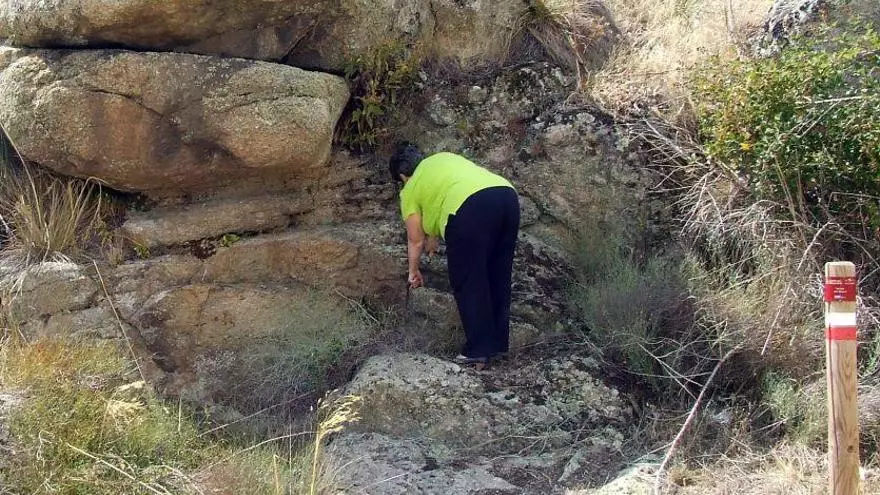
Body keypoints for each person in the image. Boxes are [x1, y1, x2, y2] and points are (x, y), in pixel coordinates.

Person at [389, 143, 520, 368]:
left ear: (402, 176)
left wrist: (413, 270)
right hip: (506, 196)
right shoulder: (443, 158)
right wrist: (434, 236)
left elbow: (415, 239)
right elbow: (442, 197)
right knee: (498, 276)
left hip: (470, 209)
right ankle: (498, 346)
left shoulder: (409, 189)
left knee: (469, 280)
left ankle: (479, 350)